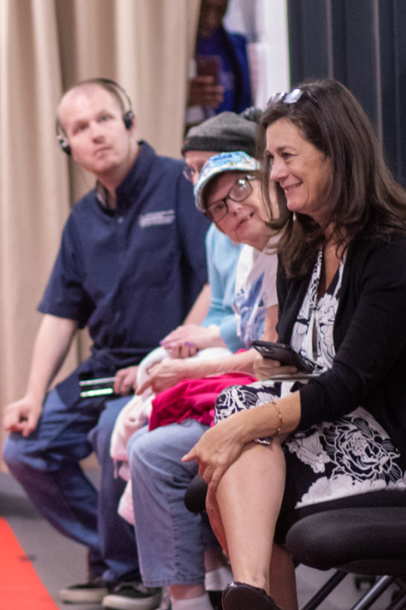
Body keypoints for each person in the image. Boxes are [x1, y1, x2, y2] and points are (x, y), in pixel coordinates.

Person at [184, 79, 406, 610]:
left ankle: (249, 593)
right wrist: (244, 408)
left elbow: (348, 383)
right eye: (270, 157)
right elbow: (299, 359)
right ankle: (250, 593)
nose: (274, 172)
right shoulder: (306, 246)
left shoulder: (397, 251)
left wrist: (240, 428)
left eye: (286, 156)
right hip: (341, 428)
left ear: (337, 153)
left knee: (246, 436)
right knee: (242, 415)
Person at [1, 78, 212, 607]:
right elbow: (59, 315)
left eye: (103, 119)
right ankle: (132, 550)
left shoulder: (177, 186)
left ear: (130, 123)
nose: (94, 134)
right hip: (105, 372)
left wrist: (166, 361)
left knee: (105, 431)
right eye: (78, 128)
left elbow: (215, 283)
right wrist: (31, 393)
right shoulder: (81, 219)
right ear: (66, 146)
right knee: (25, 447)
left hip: (169, 368)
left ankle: (128, 571)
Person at [121, 151, 280, 610]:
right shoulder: (259, 259)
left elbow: (275, 359)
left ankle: (193, 597)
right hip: (260, 392)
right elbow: (264, 351)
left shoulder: (286, 253)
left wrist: (190, 369)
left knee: (151, 452)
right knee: (138, 427)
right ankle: (203, 583)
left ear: (267, 180)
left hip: (285, 407)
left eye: (240, 190)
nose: (233, 209)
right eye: (218, 208)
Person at [167, 111, 261, 362]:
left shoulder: (262, 234)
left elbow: (261, 319)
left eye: (205, 167)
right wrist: (193, 338)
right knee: (154, 367)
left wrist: (208, 337)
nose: (198, 180)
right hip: (226, 341)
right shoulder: (215, 234)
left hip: (252, 347)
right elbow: (218, 307)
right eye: (191, 170)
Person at [186, 0, 254, 125]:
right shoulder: (176, 52)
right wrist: (184, 98)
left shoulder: (237, 47)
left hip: (230, 136)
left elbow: (245, 108)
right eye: (204, 8)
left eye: (220, 10)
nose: (210, 20)